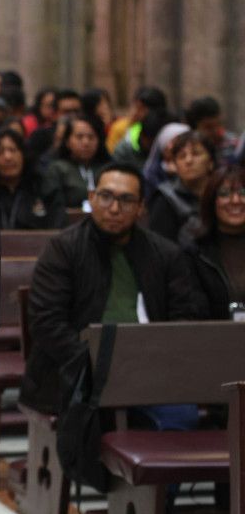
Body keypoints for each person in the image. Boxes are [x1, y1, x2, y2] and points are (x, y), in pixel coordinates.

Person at [20, 162, 209, 416]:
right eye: (106, 197)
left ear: (141, 207)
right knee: (88, 422)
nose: (115, 208)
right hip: (77, 370)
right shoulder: (63, 249)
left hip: (152, 368)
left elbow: (185, 316)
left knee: (182, 416)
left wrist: (153, 361)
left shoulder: (166, 254)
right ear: (91, 198)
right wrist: (98, 364)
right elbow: (47, 323)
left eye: (126, 200)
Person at [187, 165, 245, 319]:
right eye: (225, 194)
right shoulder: (195, 252)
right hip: (214, 331)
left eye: (243, 193)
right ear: (212, 201)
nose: (235, 200)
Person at [0, 128, 66, 229]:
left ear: (23, 154)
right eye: (0, 152)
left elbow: (58, 226)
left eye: (13, 150)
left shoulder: (43, 187)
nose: (8, 157)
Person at [149, 131, 216, 244]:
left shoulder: (222, 193)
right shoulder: (165, 199)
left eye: (196, 154)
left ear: (211, 162)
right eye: (181, 156)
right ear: (175, 165)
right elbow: (160, 245)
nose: (188, 161)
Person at [46, 115, 110, 209]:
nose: (86, 142)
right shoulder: (58, 169)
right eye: (79, 137)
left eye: (91, 137)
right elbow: (54, 207)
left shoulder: (107, 170)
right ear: (67, 141)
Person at [26, 88, 82, 165]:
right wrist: (58, 140)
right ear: (55, 114)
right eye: (67, 112)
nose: (73, 116)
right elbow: (38, 165)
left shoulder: (89, 135)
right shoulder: (40, 136)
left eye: (76, 111)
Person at [106, 85, 167, 154]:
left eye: (141, 109)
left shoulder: (168, 130)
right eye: (136, 107)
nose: (135, 113)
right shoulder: (125, 130)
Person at [184, 96, 239, 167]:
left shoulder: (233, 144)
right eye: (208, 127)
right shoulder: (187, 151)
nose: (215, 130)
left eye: (218, 124)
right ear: (195, 128)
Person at [143, 122, 190, 198]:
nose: (170, 147)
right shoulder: (152, 173)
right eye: (168, 141)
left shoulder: (190, 165)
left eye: (177, 142)